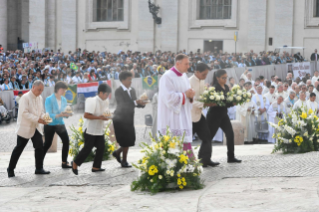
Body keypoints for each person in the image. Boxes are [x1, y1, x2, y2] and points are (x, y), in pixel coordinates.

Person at [7, 80, 50, 178]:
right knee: (19, 148)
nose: (40, 92)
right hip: (25, 128)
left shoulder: (40, 98)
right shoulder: (25, 98)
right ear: (33, 87)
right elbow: (24, 113)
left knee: (39, 147)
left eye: (42, 90)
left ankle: (39, 168)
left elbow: (41, 112)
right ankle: (10, 168)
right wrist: (38, 119)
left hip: (36, 127)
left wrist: (46, 118)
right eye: (39, 90)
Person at [157, 54, 195, 159]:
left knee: (185, 142)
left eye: (189, 63)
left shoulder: (184, 76)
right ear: (178, 64)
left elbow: (187, 93)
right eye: (186, 64)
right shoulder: (167, 77)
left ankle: (189, 166)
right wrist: (185, 95)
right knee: (171, 145)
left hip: (183, 115)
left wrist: (191, 95)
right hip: (171, 116)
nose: (188, 66)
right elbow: (168, 97)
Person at [71, 83, 112, 175]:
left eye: (108, 95)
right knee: (87, 148)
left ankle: (96, 167)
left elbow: (106, 113)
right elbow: (86, 115)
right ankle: (75, 163)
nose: (107, 96)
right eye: (106, 94)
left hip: (99, 129)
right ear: (101, 93)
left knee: (101, 147)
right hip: (90, 129)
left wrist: (107, 116)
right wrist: (100, 117)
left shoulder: (106, 101)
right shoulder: (92, 101)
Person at [206, 69, 241, 163]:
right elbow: (219, 102)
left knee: (230, 134)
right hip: (214, 116)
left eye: (226, 78)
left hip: (223, 115)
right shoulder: (215, 87)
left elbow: (226, 101)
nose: (225, 79)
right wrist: (231, 103)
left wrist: (233, 102)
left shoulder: (225, 86)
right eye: (223, 78)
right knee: (209, 138)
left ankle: (231, 157)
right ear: (217, 78)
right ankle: (205, 159)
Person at [112, 72, 145, 168]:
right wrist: (135, 102)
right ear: (122, 80)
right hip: (120, 118)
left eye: (131, 79)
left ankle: (117, 153)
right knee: (125, 140)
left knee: (130, 140)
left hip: (129, 118)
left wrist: (141, 104)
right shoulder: (118, 91)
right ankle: (124, 161)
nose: (130, 82)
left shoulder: (132, 90)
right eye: (128, 79)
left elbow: (134, 103)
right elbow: (122, 104)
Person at [189, 63, 219, 167]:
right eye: (203, 74)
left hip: (200, 114)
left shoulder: (202, 81)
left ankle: (204, 160)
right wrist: (204, 103)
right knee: (187, 141)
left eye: (206, 74)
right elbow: (190, 101)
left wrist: (211, 97)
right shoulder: (189, 82)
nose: (205, 77)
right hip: (190, 116)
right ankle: (186, 162)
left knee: (207, 137)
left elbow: (202, 95)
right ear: (196, 72)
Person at [43, 82, 72, 169]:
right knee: (47, 144)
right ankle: (39, 163)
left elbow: (64, 113)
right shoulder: (49, 99)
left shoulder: (64, 99)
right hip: (50, 124)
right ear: (57, 89)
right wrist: (59, 115)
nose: (64, 91)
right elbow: (48, 113)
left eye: (65, 90)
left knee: (66, 141)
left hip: (60, 123)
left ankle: (64, 162)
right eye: (62, 89)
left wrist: (67, 114)